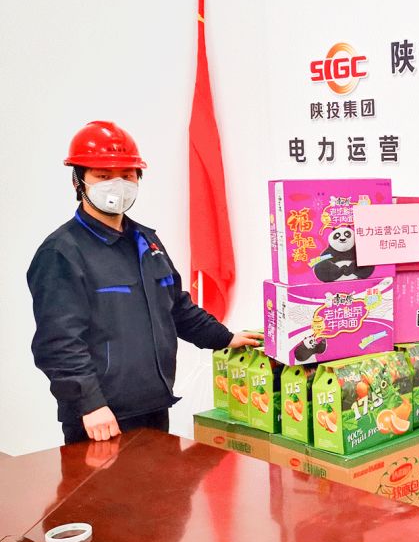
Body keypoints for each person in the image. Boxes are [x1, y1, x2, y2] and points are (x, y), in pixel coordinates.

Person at [27, 120, 260, 444]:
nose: (117, 185)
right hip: (101, 418)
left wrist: (225, 337)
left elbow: (176, 308)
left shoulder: (145, 242)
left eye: (127, 175)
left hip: (154, 407)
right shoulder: (62, 252)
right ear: (77, 180)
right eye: (103, 176)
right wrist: (89, 403)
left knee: (160, 479)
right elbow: (58, 342)